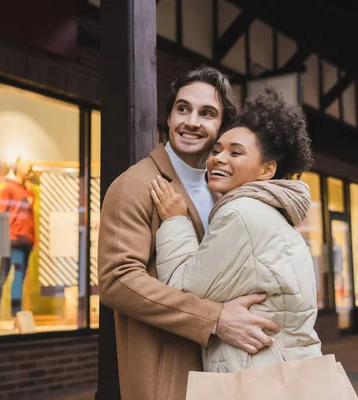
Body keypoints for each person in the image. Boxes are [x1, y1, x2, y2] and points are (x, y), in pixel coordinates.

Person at [98, 66, 280, 400]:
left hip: (225, 371)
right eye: (183, 109)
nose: (191, 121)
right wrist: (215, 319)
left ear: (221, 127)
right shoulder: (135, 185)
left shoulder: (222, 190)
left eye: (206, 113)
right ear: (168, 117)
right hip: (168, 377)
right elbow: (117, 280)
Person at [150, 88, 322, 373]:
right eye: (216, 150)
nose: (218, 158)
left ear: (266, 170)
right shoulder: (275, 213)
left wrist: (175, 221)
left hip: (255, 374)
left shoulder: (241, 213)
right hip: (285, 370)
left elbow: (183, 290)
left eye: (235, 152)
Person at [0, 159, 35, 322]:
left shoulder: (29, 192)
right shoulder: (8, 189)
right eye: (25, 166)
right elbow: (1, 214)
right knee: (4, 275)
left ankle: (16, 314)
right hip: (12, 239)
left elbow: (31, 218)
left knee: (19, 277)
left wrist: (33, 239)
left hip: (25, 241)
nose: (29, 168)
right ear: (17, 168)